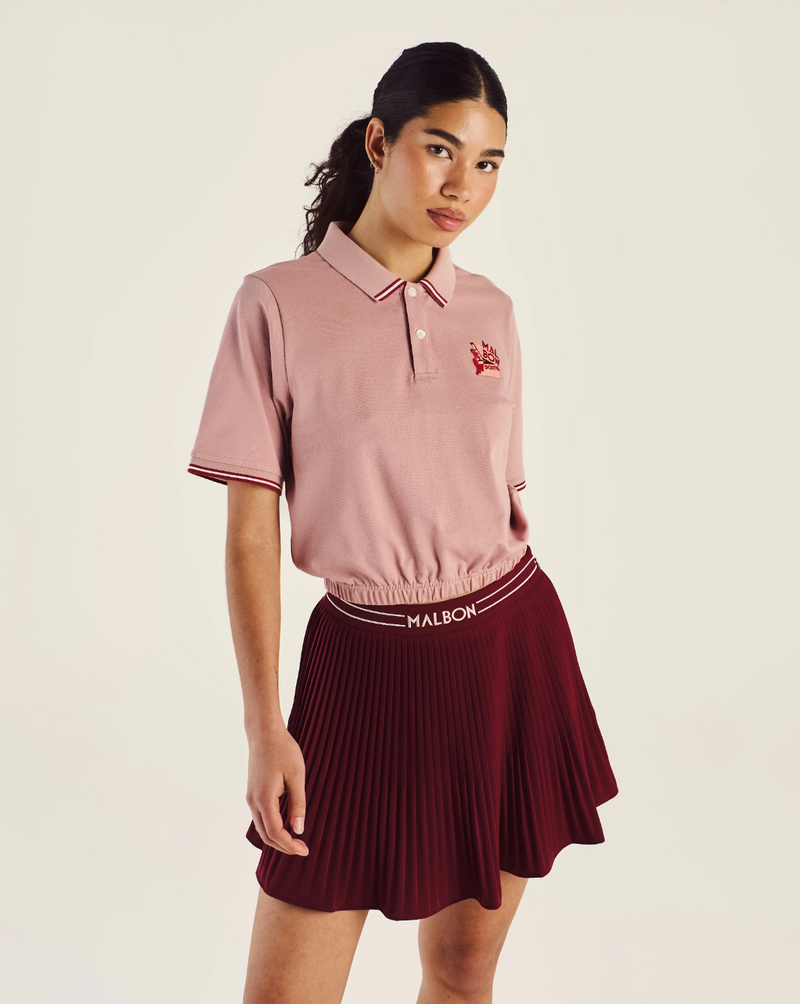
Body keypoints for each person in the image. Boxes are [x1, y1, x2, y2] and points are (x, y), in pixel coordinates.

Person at [187, 40, 618, 1004]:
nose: (463, 186)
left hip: (505, 656)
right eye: (440, 150)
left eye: (489, 163)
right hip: (361, 669)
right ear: (381, 143)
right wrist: (264, 726)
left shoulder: (492, 313)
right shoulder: (277, 305)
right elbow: (250, 532)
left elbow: (496, 501)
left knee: (462, 974)